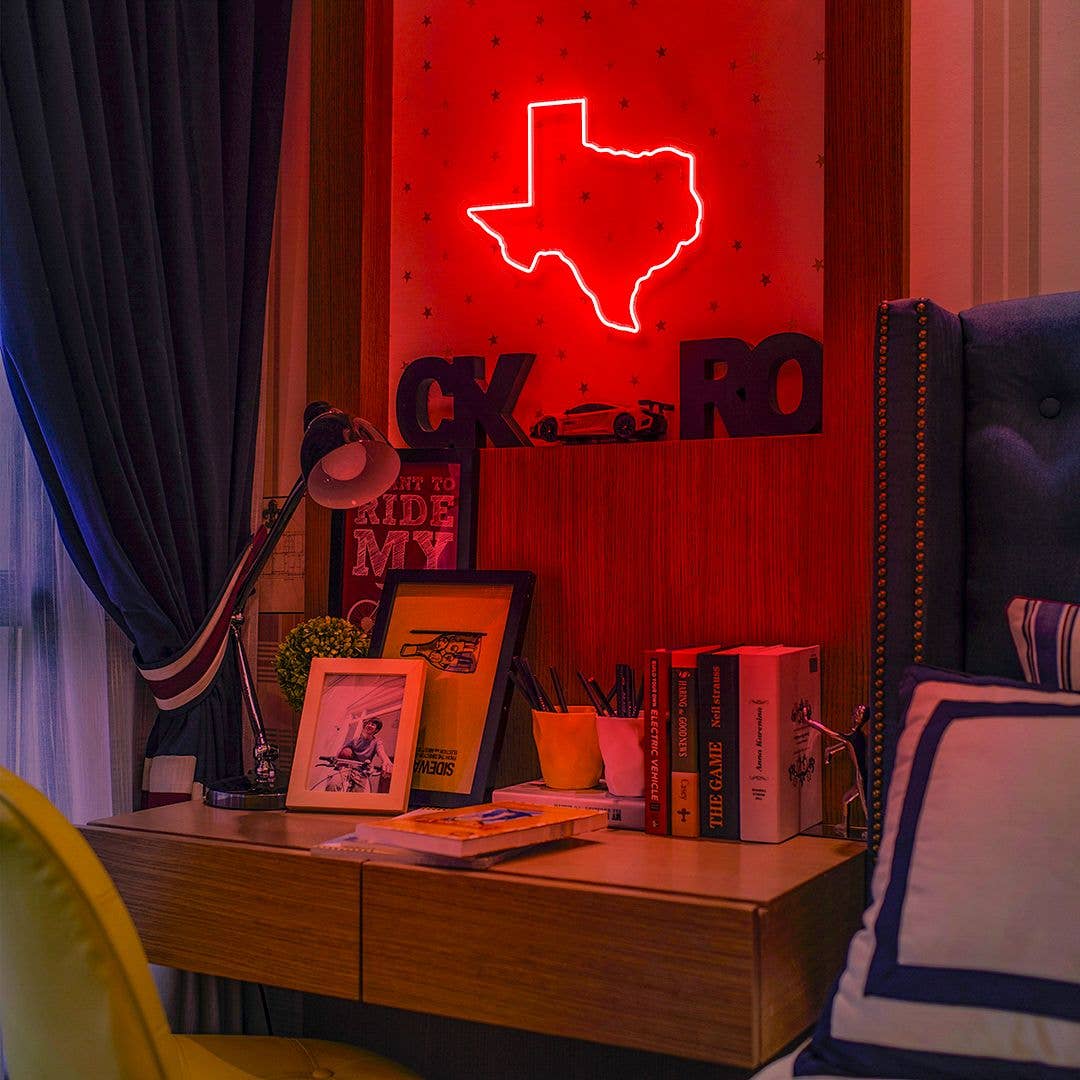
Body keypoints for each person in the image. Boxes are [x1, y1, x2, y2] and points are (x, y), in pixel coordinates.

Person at [325, 717, 393, 793]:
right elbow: (341, 749)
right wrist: (336, 758)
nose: (369, 725)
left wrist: (386, 761)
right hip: (347, 768)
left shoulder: (376, 742)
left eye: (373, 725)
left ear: (376, 730)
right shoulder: (355, 740)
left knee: (360, 795)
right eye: (368, 723)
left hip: (362, 771)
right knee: (332, 784)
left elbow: (381, 751)